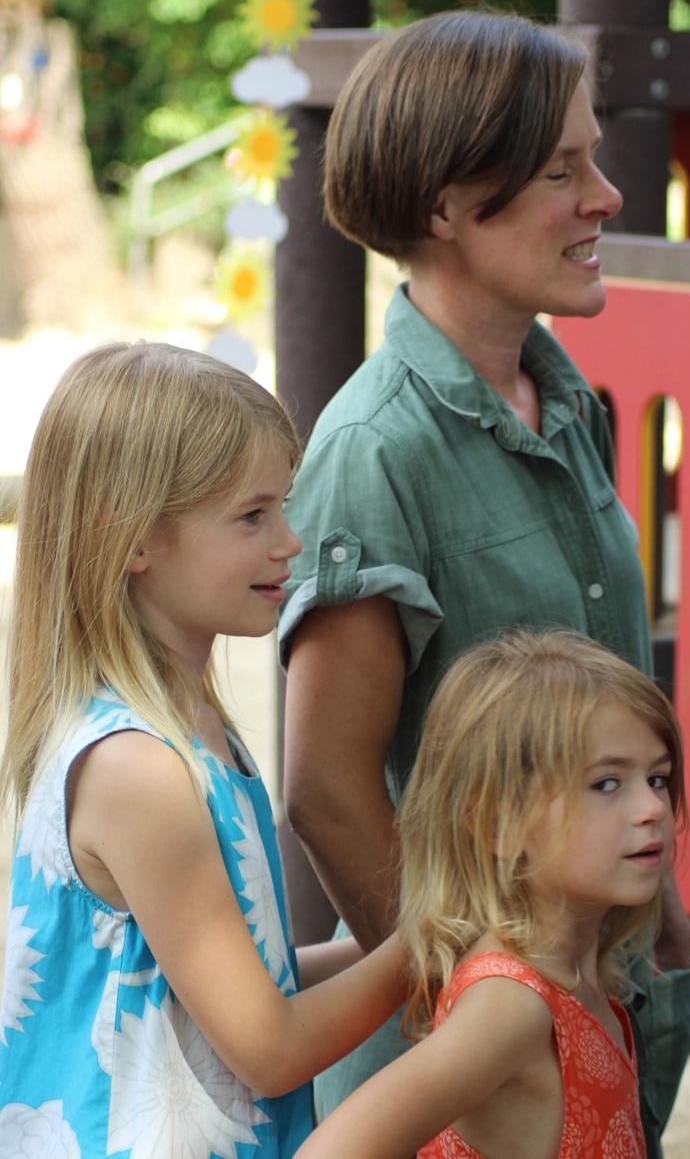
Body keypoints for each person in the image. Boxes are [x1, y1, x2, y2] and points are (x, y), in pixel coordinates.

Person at [279, 8, 690, 1157]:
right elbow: (325, 784)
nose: (606, 196)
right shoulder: (374, 448)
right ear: (446, 207)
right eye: (562, 171)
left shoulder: (566, 403)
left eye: (592, 160)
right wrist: (479, 1002)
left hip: (602, 1002)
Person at [0, 341, 407, 1159]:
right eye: (253, 516)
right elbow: (269, 1046)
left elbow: (233, 981)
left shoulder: (188, 729)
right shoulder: (138, 768)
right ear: (132, 539)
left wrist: (400, 948)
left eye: (284, 507)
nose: (290, 541)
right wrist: (432, 940)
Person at [293, 629, 687, 1159]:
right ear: (498, 826)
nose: (653, 808)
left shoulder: (580, 973)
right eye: (606, 784)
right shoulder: (512, 1003)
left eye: (658, 778)